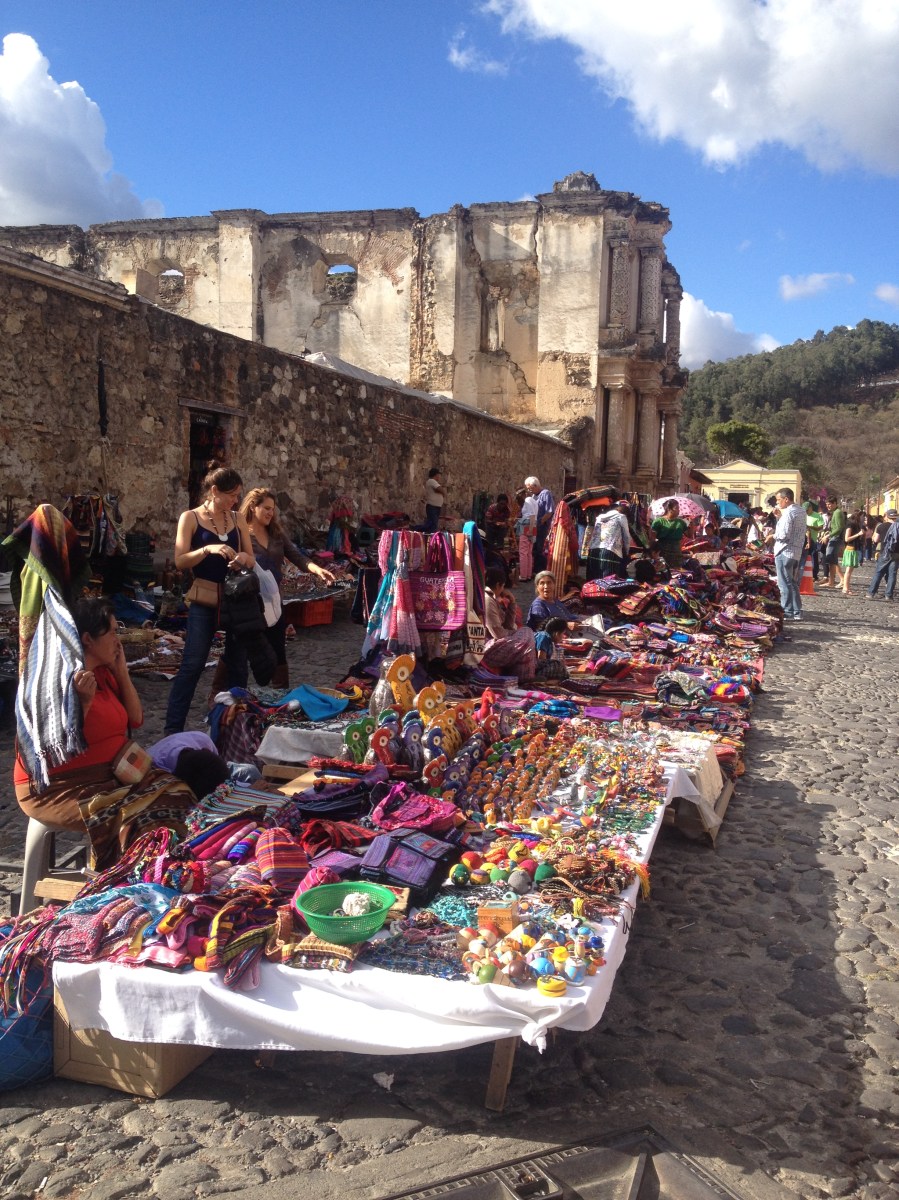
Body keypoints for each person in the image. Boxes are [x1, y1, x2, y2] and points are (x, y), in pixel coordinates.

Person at [14, 597, 195, 864]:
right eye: (111, 632)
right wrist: (83, 705)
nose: (117, 640)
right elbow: (52, 752)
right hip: (59, 789)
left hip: (108, 776)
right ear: (88, 639)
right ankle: (131, 879)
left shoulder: (101, 673)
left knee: (177, 790)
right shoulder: (57, 684)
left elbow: (135, 719)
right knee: (149, 815)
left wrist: (121, 671)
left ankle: (163, 867)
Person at [164, 466, 256, 735]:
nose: (235, 501)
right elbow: (181, 560)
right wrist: (207, 549)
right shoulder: (190, 518)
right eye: (231, 495)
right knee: (193, 664)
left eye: (238, 495)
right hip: (204, 600)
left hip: (236, 600)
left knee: (239, 665)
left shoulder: (238, 519)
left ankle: (237, 730)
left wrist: (243, 560)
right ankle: (172, 731)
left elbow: (250, 557)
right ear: (214, 491)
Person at [239, 488, 336, 688]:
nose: (270, 513)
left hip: (274, 601)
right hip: (248, 602)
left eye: (272, 509)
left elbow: (296, 555)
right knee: (239, 649)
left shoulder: (275, 534)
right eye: (266, 508)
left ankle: (280, 696)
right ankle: (223, 692)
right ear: (252, 507)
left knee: (277, 648)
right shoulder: (240, 534)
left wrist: (317, 569)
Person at [477, 566, 537, 678]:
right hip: (486, 650)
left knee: (526, 634)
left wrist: (512, 603)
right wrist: (516, 634)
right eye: (503, 586)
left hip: (496, 644)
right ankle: (525, 677)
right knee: (527, 634)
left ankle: (524, 676)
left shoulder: (492, 599)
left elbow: (508, 626)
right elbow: (498, 633)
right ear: (499, 585)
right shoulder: (487, 600)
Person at [772, 487, 807, 621]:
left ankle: (787, 611)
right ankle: (797, 611)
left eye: (779, 500)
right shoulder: (800, 511)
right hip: (796, 551)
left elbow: (784, 534)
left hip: (785, 550)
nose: (777, 503)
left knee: (784, 583)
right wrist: (779, 517)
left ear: (786, 499)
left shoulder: (789, 513)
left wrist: (772, 536)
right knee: (791, 582)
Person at [586, 501, 631, 580]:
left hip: (593, 551)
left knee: (594, 578)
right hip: (610, 552)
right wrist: (627, 552)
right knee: (608, 580)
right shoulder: (621, 517)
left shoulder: (600, 517)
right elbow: (626, 537)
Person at [525, 476, 556, 574]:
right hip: (534, 525)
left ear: (535, 486)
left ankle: (540, 570)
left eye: (530, 488)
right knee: (533, 547)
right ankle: (534, 569)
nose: (528, 490)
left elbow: (549, 511)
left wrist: (540, 522)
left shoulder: (546, 494)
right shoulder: (533, 496)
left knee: (540, 548)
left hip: (542, 526)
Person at [866, 509, 899, 601]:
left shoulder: (881, 526)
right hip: (897, 553)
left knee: (879, 572)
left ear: (887, 516)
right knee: (893, 574)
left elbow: (876, 539)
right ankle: (888, 595)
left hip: (885, 552)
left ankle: (871, 593)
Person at [651, 499, 688, 570]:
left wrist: (691, 523)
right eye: (676, 508)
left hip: (676, 551)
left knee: (677, 571)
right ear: (669, 509)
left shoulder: (681, 522)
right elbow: (652, 538)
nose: (679, 510)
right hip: (663, 550)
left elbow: (689, 535)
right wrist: (653, 553)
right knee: (663, 570)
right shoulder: (659, 521)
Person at [819, 496, 845, 589]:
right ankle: (832, 581)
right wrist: (828, 532)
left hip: (835, 539)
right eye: (827, 504)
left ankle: (837, 580)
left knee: (831, 559)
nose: (828, 506)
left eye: (830, 504)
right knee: (832, 560)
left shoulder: (837, 513)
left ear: (835, 503)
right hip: (834, 537)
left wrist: (828, 535)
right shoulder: (835, 512)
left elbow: (839, 528)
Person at [839, 511, 865, 595]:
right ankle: (845, 588)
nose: (863, 519)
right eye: (862, 517)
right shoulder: (850, 525)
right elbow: (847, 538)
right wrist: (858, 534)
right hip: (850, 549)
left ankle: (846, 587)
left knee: (850, 570)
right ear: (858, 516)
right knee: (848, 570)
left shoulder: (857, 525)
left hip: (854, 549)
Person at [517, 485, 539, 581]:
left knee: (523, 552)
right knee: (529, 552)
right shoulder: (533, 500)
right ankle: (528, 574)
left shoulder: (528, 501)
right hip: (532, 525)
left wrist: (529, 530)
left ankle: (523, 575)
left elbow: (532, 516)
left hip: (527, 526)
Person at [423, 468, 444, 533]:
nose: (439, 477)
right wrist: (442, 492)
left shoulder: (433, 482)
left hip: (436, 507)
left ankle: (430, 538)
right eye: (438, 475)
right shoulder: (431, 481)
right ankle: (415, 528)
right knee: (432, 524)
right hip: (432, 507)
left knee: (432, 525)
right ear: (436, 475)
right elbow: (441, 489)